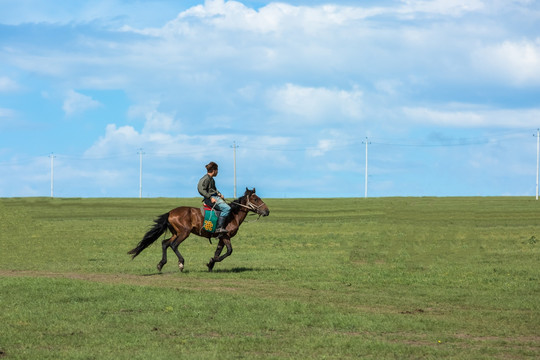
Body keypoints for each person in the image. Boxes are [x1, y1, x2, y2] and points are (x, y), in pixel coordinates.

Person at [197, 161, 231, 234]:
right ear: (214, 170)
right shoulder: (205, 179)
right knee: (227, 208)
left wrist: (219, 194)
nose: (218, 172)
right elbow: (200, 189)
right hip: (210, 199)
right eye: (217, 170)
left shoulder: (211, 179)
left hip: (215, 197)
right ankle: (219, 228)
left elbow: (214, 190)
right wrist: (210, 197)